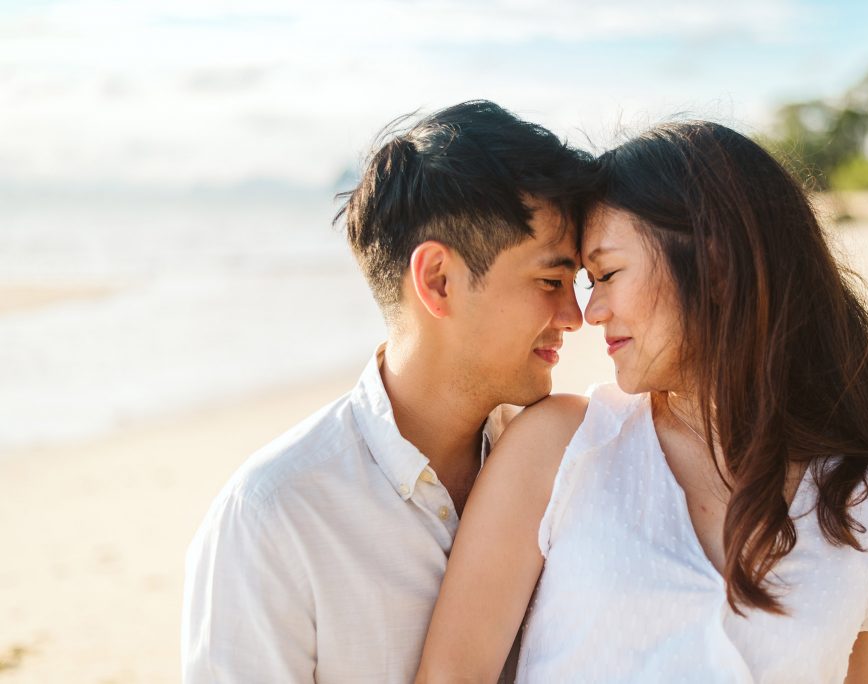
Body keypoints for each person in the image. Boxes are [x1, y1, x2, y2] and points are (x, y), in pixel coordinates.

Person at [415, 121, 868, 683]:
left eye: (608, 273)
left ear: (717, 266)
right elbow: (452, 675)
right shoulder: (561, 447)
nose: (591, 313)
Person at [181, 100, 591, 683]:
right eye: (551, 281)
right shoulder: (277, 516)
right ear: (438, 281)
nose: (574, 316)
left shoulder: (566, 470)